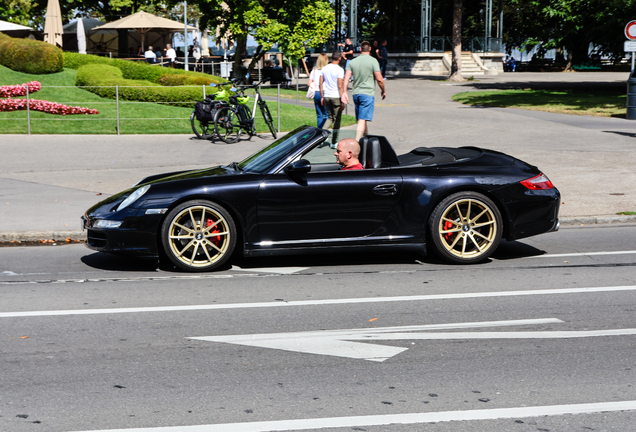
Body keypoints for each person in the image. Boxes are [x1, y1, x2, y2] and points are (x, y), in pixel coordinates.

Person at [342, 41, 386, 141]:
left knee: (362, 119)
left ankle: (366, 140)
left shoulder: (353, 61)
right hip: (367, 94)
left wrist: (344, 92)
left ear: (360, 49)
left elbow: (346, 77)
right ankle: (356, 142)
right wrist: (383, 90)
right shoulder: (373, 61)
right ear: (370, 49)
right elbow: (379, 79)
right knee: (362, 120)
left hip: (356, 93)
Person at [319, 51, 345, 138]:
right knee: (337, 119)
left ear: (331, 58)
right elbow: (340, 86)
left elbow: (320, 84)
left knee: (330, 118)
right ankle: (334, 141)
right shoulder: (340, 70)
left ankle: (321, 136)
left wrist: (322, 96)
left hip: (327, 95)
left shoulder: (324, 68)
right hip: (336, 96)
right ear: (340, 58)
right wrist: (342, 100)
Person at [307, 53, 329, 129]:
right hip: (325, 92)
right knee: (327, 114)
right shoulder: (327, 70)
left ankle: (319, 130)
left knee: (319, 114)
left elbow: (309, 83)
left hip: (316, 92)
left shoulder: (314, 70)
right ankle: (325, 130)